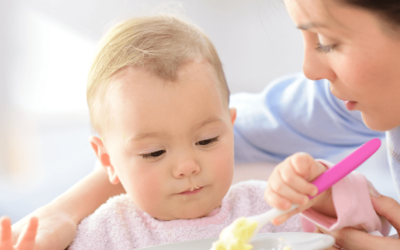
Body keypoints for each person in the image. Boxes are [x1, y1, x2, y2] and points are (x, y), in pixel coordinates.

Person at [0, 15, 388, 250]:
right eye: (154, 153)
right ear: (107, 161)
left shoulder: (265, 208)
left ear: (230, 130)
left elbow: (365, 223)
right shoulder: (104, 232)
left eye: (207, 141)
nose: (187, 165)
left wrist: (320, 191)